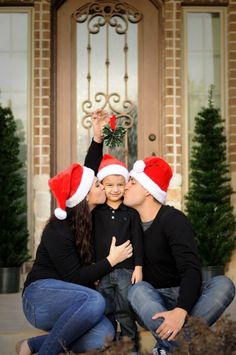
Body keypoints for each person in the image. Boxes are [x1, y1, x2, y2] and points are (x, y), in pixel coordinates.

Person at [16, 163, 133, 355]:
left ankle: (33, 345)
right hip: (38, 299)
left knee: (105, 334)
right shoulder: (59, 229)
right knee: (95, 300)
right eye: (97, 185)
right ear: (84, 195)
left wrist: (97, 140)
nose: (103, 186)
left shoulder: (89, 220)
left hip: (72, 304)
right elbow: (74, 277)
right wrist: (111, 260)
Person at [123, 157, 236, 354]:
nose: (125, 187)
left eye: (132, 182)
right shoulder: (128, 224)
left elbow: (191, 270)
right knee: (136, 290)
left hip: (186, 298)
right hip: (152, 303)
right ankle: (181, 346)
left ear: (148, 190)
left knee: (223, 285)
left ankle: (169, 348)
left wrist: (181, 310)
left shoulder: (173, 220)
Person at [84, 115, 143, 354]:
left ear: (125, 184)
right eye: (109, 185)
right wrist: (92, 269)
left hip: (127, 270)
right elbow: (88, 241)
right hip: (103, 269)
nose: (115, 189)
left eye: (120, 184)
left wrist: (138, 266)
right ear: (102, 186)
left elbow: (138, 239)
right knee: (106, 310)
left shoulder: (131, 212)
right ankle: (108, 348)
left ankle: (131, 349)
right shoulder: (96, 212)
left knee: (125, 312)